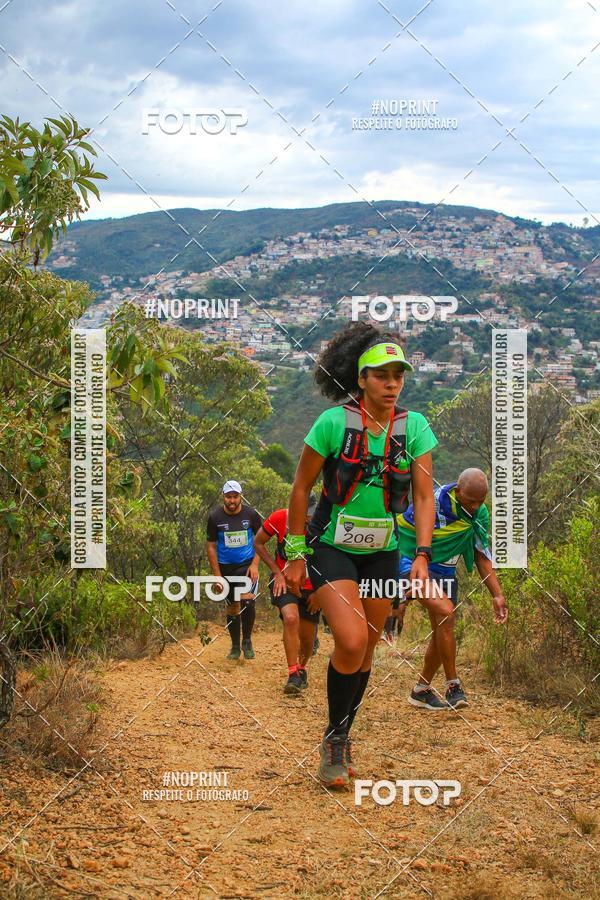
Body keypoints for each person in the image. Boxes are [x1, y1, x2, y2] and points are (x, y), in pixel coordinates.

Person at [285, 322, 442, 788]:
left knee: (368, 648)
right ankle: (334, 741)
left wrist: (422, 555)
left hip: (382, 552)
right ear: (360, 379)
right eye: (381, 375)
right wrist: (295, 554)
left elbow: (425, 497)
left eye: (398, 375)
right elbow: (301, 488)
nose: (391, 383)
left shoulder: (414, 428)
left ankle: (342, 735)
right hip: (331, 546)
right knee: (350, 641)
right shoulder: (334, 423)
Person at [396, 468, 508, 710]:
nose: (476, 507)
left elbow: (481, 556)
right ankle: (453, 685)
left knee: (443, 626)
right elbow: (403, 527)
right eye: (471, 501)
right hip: (414, 562)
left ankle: (421, 690)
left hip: (446, 571)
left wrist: (497, 594)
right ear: (458, 492)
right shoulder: (433, 502)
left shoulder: (479, 514)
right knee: (446, 613)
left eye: (481, 501)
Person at [254, 495, 320, 695]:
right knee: (291, 619)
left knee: (308, 638)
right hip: (285, 582)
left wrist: (320, 591)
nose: (308, 519)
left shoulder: (323, 524)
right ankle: (292, 674)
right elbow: (258, 543)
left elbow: (331, 557)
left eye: (310, 515)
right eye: (305, 515)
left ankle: (302, 667)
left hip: (313, 586)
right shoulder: (279, 518)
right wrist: (276, 571)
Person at [206, 480, 262, 660]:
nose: (232, 501)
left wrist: (255, 564)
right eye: (228, 497)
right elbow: (211, 547)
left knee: (247, 601)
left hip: (246, 566)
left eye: (235, 497)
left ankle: (247, 640)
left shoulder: (251, 515)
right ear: (223, 496)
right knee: (232, 607)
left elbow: (260, 541)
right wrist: (217, 576)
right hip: (225, 568)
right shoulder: (215, 517)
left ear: (240, 496)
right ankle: (235, 646)